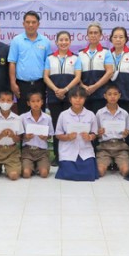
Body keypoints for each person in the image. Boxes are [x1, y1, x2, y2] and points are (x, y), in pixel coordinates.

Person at [44, 31, 82, 162]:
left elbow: (78, 77)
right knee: (57, 125)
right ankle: (57, 155)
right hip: (54, 96)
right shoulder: (50, 58)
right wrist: (56, 90)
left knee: (70, 125)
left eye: (66, 40)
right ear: (56, 42)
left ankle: (70, 154)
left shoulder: (76, 58)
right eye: (61, 40)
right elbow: (46, 76)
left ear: (70, 42)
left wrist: (65, 90)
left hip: (70, 97)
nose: (63, 42)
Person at [9, 11, 51, 114]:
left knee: (40, 113)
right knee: (23, 114)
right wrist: (13, 83)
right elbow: (12, 63)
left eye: (33, 22)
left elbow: (48, 64)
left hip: (40, 84)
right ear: (23, 24)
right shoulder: (16, 40)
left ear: (38, 24)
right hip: (22, 85)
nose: (30, 25)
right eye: (28, 22)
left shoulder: (45, 41)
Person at [54, 86, 99, 181]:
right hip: (68, 150)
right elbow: (58, 134)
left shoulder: (90, 114)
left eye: (81, 97)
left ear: (85, 99)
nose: (78, 100)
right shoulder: (63, 115)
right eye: (75, 97)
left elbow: (95, 133)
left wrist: (90, 137)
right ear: (70, 99)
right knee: (68, 173)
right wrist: (67, 137)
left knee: (89, 174)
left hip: (85, 149)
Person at [95, 83, 129, 177]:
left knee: (126, 171)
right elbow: (95, 133)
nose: (112, 97)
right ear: (105, 96)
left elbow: (127, 131)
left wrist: (126, 133)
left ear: (119, 95)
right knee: (99, 171)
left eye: (115, 94)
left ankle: (118, 164)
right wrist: (99, 133)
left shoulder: (124, 113)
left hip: (120, 146)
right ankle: (109, 163)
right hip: (104, 147)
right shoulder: (100, 113)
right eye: (109, 94)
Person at [79, 22, 114, 113]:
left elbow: (109, 72)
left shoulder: (106, 52)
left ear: (100, 35)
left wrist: (95, 87)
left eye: (96, 33)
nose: (93, 35)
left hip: (101, 94)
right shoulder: (80, 53)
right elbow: (76, 75)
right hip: (84, 94)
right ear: (87, 35)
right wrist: (83, 86)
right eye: (91, 33)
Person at [108, 26, 129, 115]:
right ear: (111, 39)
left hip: (127, 96)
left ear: (126, 39)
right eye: (115, 37)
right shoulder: (107, 54)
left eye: (121, 37)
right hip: (110, 97)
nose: (118, 40)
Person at [20, 91, 54, 178]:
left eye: (38, 101)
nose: (36, 104)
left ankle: (38, 166)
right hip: (27, 150)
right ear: (28, 103)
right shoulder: (23, 117)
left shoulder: (47, 118)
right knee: (26, 174)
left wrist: (46, 137)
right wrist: (25, 136)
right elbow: (19, 135)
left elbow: (50, 134)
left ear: (42, 102)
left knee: (44, 173)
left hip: (42, 151)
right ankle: (31, 166)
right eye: (33, 101)